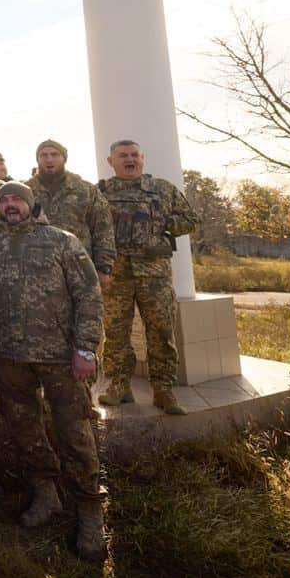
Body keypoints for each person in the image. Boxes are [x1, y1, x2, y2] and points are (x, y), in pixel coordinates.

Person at [0, 182, 107, 560]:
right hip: (10, 358)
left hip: (60, 357)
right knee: (24, 429)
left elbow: (89, 296)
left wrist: (85, 348)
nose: (11, 205)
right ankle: (46, 492)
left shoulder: (62, 241)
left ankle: (90, 509)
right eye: (5, 200)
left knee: (75, 432)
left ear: (32, 204)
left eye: (18, 199)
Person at [97, 140, 200, 415]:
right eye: (123, 156)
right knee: (115, 333)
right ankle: (119, 385)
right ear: (111, 161)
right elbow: (89, 227)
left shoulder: (163, 189)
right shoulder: (100, 192)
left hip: (154, 275)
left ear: (142, 158)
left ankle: (163, 390)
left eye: (134, 155)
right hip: (116, 275)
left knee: (161, 331)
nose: (129, 160)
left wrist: (161, 224)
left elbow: (191, 218)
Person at [25, 139, 115, 288]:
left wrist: (104, 267)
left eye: (55, 154)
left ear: (64, 158)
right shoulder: (25, 191)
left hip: (79, 267)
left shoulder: (86, 190)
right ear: (37, 159)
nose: (49, 159)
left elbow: (103, 229)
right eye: (44, 155)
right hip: (36, 269)